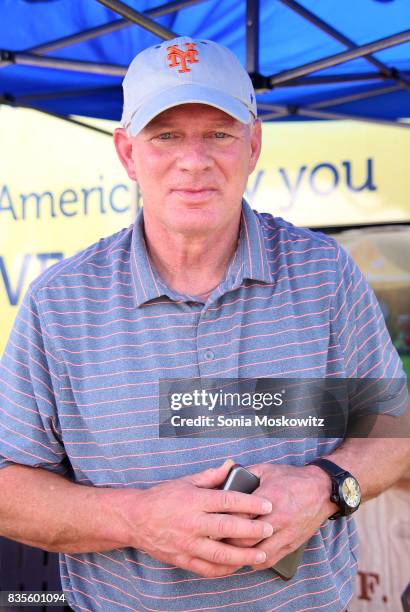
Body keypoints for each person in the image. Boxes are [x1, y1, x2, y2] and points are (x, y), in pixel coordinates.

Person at [0, 36, 408, 612]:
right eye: (166, 135)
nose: (194, 160)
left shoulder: (325, 274)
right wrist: (137, 519)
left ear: (254, 144)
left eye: (219, 133)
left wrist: (324, 486)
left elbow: (394, 424)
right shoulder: (60, 305)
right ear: (126, 153)